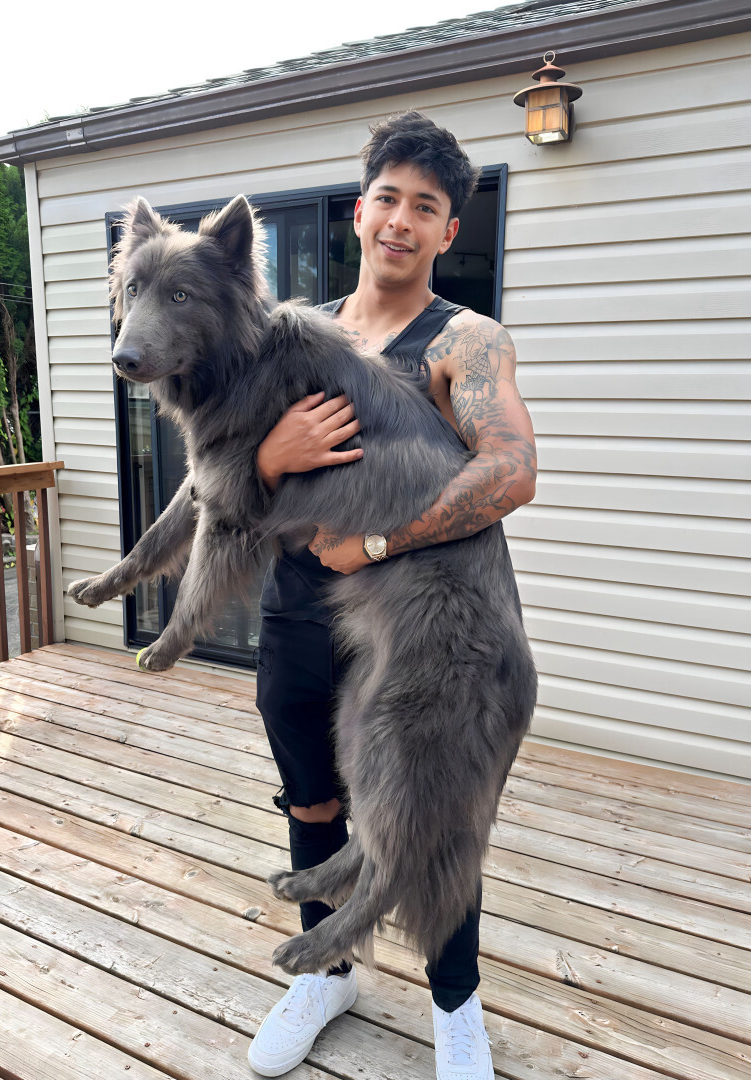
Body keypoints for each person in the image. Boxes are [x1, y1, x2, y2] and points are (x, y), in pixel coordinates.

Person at [248, 110, 536, 1079]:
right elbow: (228, 474)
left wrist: (376, 539)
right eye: (388, 198)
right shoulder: (299, 336)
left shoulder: (467, 340)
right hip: (298, 617)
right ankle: (328, 972)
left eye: (428, 206)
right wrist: (265, 455)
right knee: (315, 801)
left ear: (450, 231)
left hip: (421, 637)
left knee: (434, 816)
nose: (402, 220)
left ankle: (457, 1005)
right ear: (359, 211)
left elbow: (511, 471)